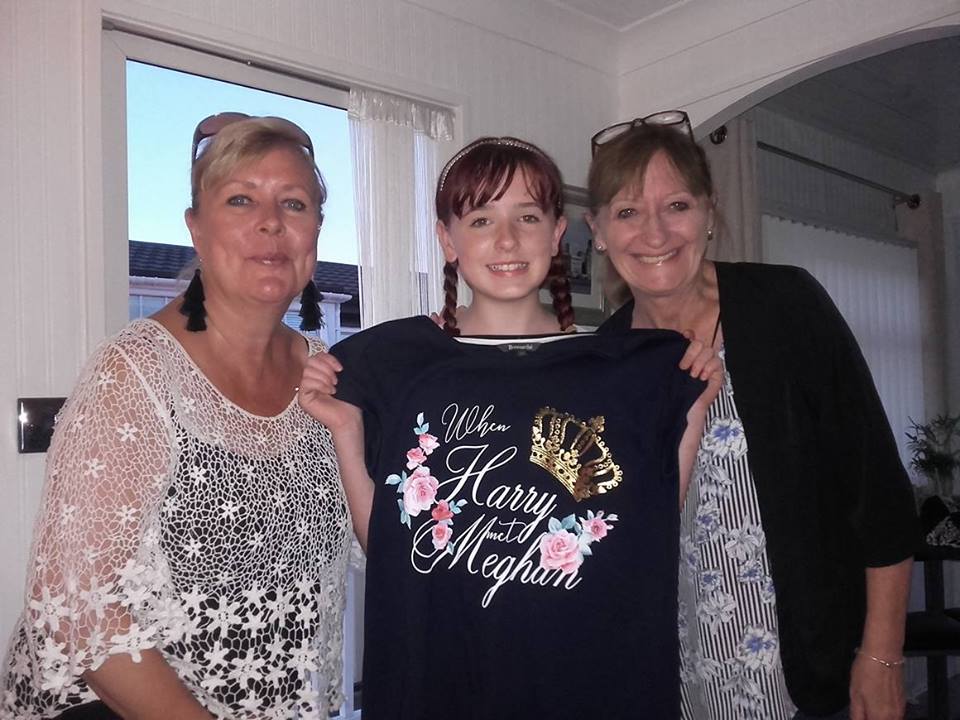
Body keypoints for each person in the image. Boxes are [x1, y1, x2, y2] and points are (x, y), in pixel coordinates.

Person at [299, 136, 721, 718]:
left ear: (556, 233)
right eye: (480, 219)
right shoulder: (393, 364)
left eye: (527, 216)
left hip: (585, 688)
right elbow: (393, 551)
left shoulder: (626, 372)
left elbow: (648, 531)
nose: (506, 240)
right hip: (445, 688)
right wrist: (346, 431)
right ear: (447, 239)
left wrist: (693, 405)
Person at [1, 114, 352, 720]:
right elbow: (78, 606)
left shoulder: (328, 375)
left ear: (315, 231)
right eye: (240, 199)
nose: (271, 222)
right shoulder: (136, 372)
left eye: (293, 203)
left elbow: (377, 542)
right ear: (195, 228)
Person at [586, 110, 920, 720]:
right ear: (598, 230)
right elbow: (604, 533)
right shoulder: (602, 362)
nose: (655, 233)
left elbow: (877, 492)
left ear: (709, 213)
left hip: (805, 674)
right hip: (665, 672)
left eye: (677, 206)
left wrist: (882, 655)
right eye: (628, 211)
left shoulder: (785, 305)